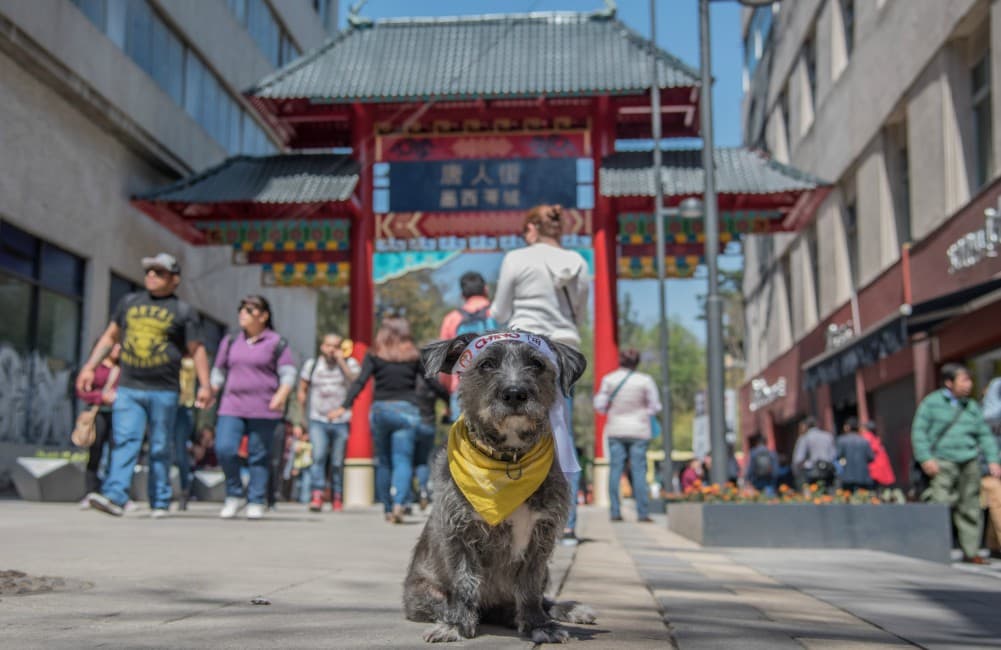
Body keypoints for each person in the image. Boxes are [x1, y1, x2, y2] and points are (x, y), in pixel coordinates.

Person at [77, 253, 212, 518]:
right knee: (125, 440)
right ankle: (115, 495)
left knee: (161, 446)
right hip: (129, 386)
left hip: (164, 389)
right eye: (149, 271)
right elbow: (109, 337)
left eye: (159, 272)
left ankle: (160, 499)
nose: (151, 276)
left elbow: (197, 350)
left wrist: (205, 385)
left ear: (174, 279)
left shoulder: (184, 312)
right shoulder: (129, 303)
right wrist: (90, 366)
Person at [492, 204, 590, 546]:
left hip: (524, 348)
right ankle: (565, 523)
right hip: (563, 352)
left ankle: (511, 514)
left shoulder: (516, 258)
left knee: (513, 428)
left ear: (531, 229)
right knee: (561, 433)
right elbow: (578, 310)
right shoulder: (578, 262)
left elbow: (500, 311)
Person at [331, 315, 423, 524]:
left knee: (384, 461)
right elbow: (431, 382)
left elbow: (360, 382)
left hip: (381, 410)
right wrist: (447, 400)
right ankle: (400, 502)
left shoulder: (374, 354)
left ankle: (388, 509)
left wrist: (343, 406)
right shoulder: (414, 355)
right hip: (406, 410)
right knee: (403, 460)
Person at [211, 295, 296, 520]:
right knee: (224, 448)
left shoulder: (276, 342)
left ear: (264, 315)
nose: (243, 314)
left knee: (259, 456)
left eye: (249, 310)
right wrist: (210, 390)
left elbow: (288, 373)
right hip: (232, 405)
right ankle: (234, 493)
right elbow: (219, 371)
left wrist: (281, 395)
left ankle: (256, 499)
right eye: (241, 309)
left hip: (264, 407)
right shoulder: (230, 341)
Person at [912, 363, 1001, 564]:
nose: (969, 385)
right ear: (949, 382)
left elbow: (984, 435)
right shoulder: (932, 403)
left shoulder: (971, 407)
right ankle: (936, 549)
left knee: (970, 507)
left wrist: (993, 460)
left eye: (970, 380)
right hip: (942, 462)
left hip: (969, 461)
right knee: (940, 503)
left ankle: (971, 551)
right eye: (964, 380)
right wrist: (925, 457)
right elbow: (919, 432)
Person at [593, 348, 661, 523]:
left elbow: (599, 405)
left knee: (615, 470)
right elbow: (655, 406)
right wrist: (643, 410)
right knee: (639, 471)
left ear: (620, 361)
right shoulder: (645, 381)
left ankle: (615, 511)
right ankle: (642, 513)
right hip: (639, 430)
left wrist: (613, 407)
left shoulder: (609, 379)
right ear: (637, 362)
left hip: (616, 429)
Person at [298, 332, 360, 513]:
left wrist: (342, 361)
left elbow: (356, 382)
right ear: (322, 346)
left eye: (335, 346)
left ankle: (337, 495)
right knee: (318, 456)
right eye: (328, 345)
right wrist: (301, 419)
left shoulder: (350, 364)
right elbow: (302, 391)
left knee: (336, 461)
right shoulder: (312, 365)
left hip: (341, 420)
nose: (331, 350)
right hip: (318, 418)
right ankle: (317, 494)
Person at [439, 271, 497, 420]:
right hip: (497, 386)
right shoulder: (497, 314)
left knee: (463, 439)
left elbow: (444, 363)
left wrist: (447, 392)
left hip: (462, 388)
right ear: (486, 289)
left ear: (462, 295)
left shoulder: (452, 319)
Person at [75, 342, 121, 501]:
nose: (118, 350)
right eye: (115, 347)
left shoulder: (123, 368)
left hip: (118, 414)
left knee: (116, 453)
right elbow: (82, 391)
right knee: (95, 451)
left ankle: (112, 492)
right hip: (98, 413)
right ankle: (91, 491)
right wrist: (101, 397)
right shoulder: (95, 368)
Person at [413, 372, 450, 510]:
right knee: (423, 460)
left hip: (409, 420)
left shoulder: (405, 377)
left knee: (403, 460)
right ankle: (423, 491)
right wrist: (447, 406)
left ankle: (401, 500)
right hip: (428, 422)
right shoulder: (430, 379)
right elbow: (444, 392)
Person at [173, 356, 197, 510]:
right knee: (160, 449)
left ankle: (184, 490)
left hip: (185, 407)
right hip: (165, 404)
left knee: (181, 452)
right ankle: (160, 492)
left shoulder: (195, 359)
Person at [792, 416, 837, 487]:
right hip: (828, 470)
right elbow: (833, 455)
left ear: (806, 426)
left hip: (811, 471)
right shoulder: (828, 436)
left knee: (815, 494)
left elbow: (798, 458)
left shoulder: (805, 438)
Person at [836, 417, 874, 492]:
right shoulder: (864, 441)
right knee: (864, 499)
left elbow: (838, 456)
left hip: (847, 476)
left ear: (847, 427)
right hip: (863, 476)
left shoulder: (842, 440)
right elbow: (871, 457)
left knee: (848, 499)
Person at [860, 420, 896, 488]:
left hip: (874, 465)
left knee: (874, 485)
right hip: (879, 464)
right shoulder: (874, 438)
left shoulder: (867, 437)